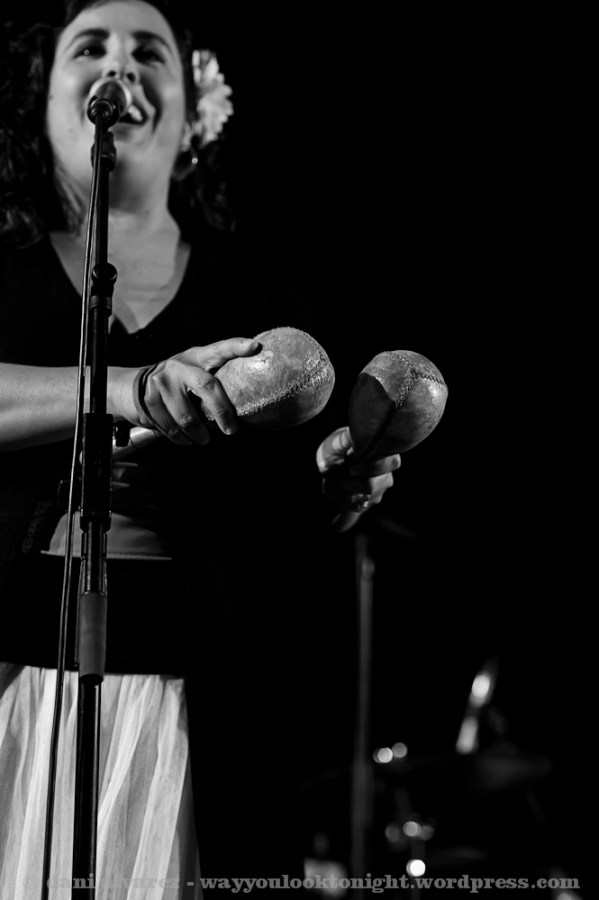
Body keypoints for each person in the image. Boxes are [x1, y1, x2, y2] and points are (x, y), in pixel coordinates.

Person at [0, 1, 400, 896]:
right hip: (14, 681)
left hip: (204, 703)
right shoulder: (7, 259)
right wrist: (124, 386)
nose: (120, 67)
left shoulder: (258, 280)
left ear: (191, 118)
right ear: (45, 99)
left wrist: (336, 485)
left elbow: (290, 503)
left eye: (150, 54)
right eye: (90, 48)